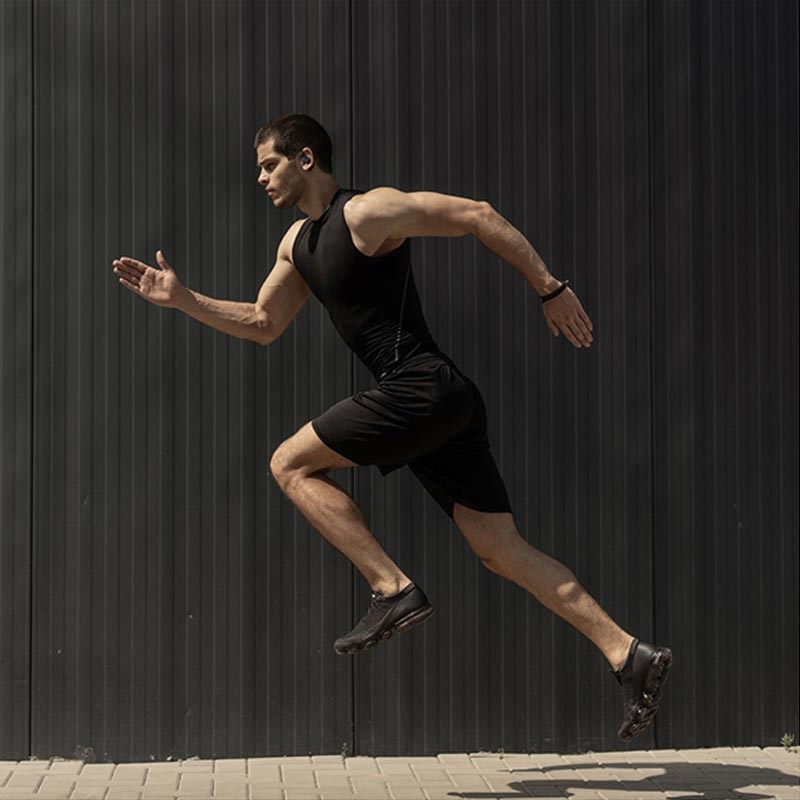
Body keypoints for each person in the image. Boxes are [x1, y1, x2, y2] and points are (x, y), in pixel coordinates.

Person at [112, 113, 671, 741]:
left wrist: (549, 288)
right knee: (501, 550)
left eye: (269, 165)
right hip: (441, 401)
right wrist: (184, 299)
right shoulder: (296, 244)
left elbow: (477, 214)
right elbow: (264, 323)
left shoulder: (366, 213)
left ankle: (392, 588)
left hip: (420, 386)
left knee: (288, 464)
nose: (262, 179)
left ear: (304, 159)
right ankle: (629, 653)